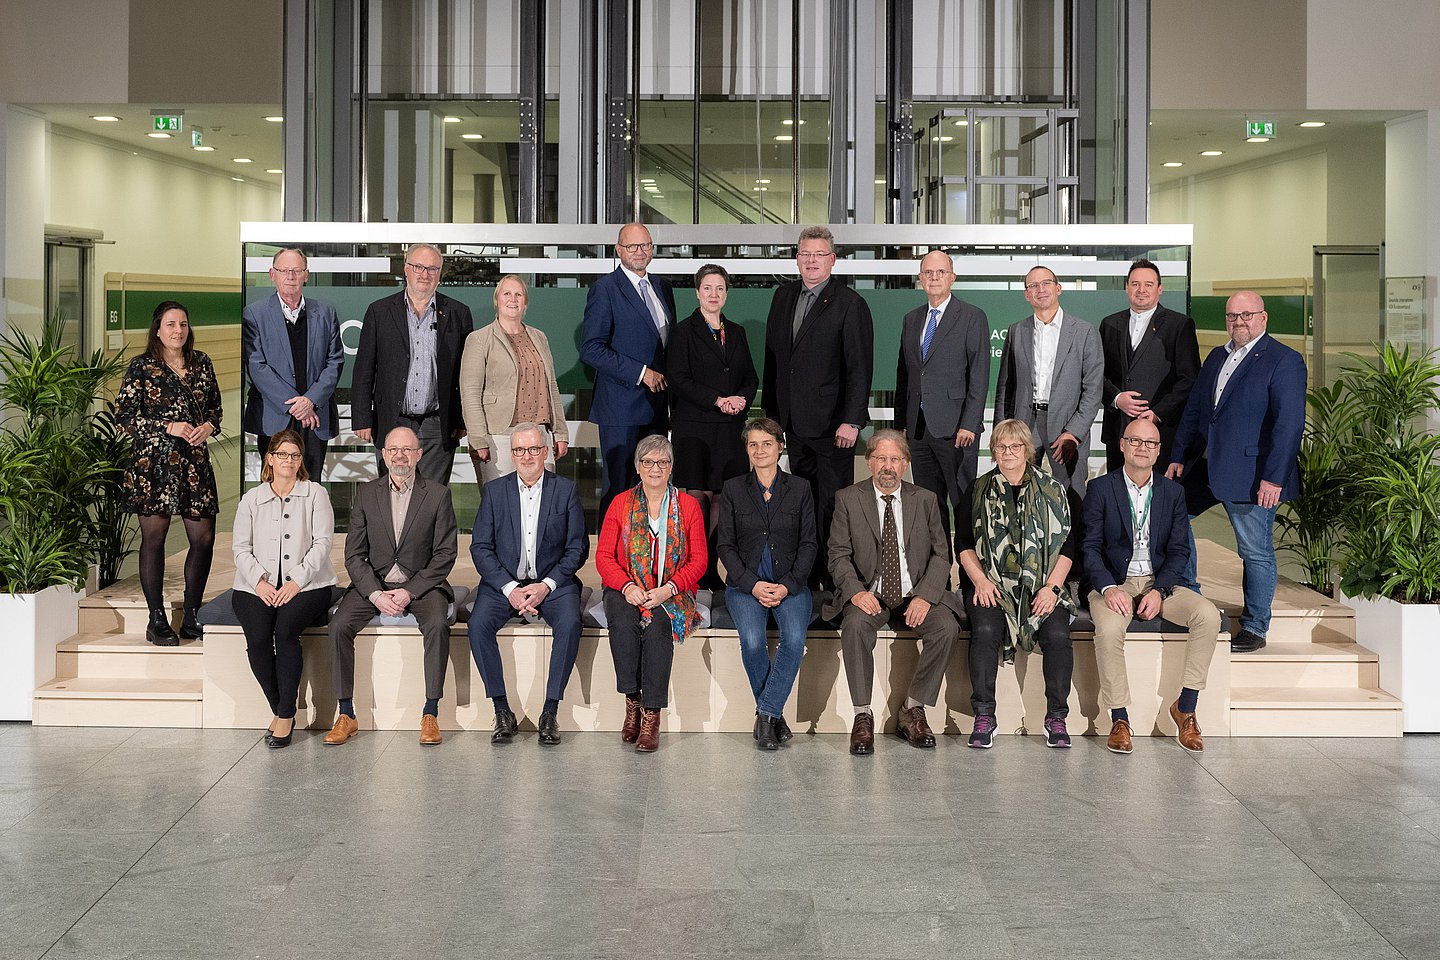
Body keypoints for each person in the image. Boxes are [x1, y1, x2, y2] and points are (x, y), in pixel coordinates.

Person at [1166, 291, 1306, 654]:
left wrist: (1274, 477)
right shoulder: (1218, 355)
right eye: (1232, 316)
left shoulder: (1284, 360)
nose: (1238, 322)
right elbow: (1196, 409)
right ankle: (1192, 600)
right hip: (1207, 466)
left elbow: (1289, 426)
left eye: (1246, 315)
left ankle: (1256, 627)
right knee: (1175, 518)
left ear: (1263, 317)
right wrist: (1179, 454)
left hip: (1253, 474)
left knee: (1254, 551)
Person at [1083, 418, 1221, 754]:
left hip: (1160, 584)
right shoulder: (1101, 489)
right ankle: (1119, 718)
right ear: (1122, 445)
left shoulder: (1173, 493)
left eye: (1151, 443)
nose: (1143, 448)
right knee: (1109, 628)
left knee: (1208, 615)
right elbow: (1088, 547)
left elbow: (1178, 551)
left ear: (1158, 451)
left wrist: (1160, 590)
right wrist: (1108, 589)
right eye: (1135, 441)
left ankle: (1185, 708)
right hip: (1116, 583)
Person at [825, 429, 960, 756]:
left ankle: (912, 709)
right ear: (869, 462)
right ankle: (862, 715)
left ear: (905, 464)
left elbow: (943, 554)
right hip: (869, 594)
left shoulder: (925, 499)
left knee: (947, 627)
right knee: (855, 626)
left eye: (895, 459)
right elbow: (838, 554)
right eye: (881, 458)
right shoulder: (848, 498)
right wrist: (855, 592)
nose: (888, 465)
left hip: (916, 592)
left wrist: (927, 594)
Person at [322, 426, 459, 747]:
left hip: (422, 585)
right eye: (393, 449)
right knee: (339, 624)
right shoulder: (367, 493)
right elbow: (354, 555)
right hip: (374, 584)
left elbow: (445, 554)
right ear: (383, 455)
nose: (400, 455)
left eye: (407, 449)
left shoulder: (438, 494)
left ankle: (430, 712)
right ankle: (346, 713)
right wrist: (375, 593)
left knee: (438, 623)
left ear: (419, 455)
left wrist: (410, 590)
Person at [763, 225, 874, 589]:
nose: (811, 261)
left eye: (819, 255)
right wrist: (772, 419)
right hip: (792, 425)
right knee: (801, 504)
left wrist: (852, 421)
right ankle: (807, 576)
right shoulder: (782, 297)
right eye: (805, 254)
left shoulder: (850, 304)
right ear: (797, 259)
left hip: (833, 429)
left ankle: (835, 579)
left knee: (831, 506)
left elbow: (859, 368)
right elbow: (775, 361)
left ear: (833, 260)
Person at [958, 419, 1076, 749]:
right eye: (1001, 447)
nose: (1008, 453)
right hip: (991, 584)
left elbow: (1069, 544)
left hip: (1043, 586)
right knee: (983, 632)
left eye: (1015, 447)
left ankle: (1056, 717)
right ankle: (984, 715)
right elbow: (964, 543)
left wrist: (1052, 588)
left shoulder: (1053, 489)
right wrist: (980, 581)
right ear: (993, 450)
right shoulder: (978, 488)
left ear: (1027, 450)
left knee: (1056, 634)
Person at [468, 423, 588, 747]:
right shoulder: (495, 491)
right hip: (504, 584)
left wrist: (546, 585)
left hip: (553, 583)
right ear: (512, 454)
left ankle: (550, 710)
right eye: (520, 450)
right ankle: (501, 710)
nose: (527, 456)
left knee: (570, 621)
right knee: (477, 625)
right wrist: (510, 588)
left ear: (546, 452)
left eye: (534, 449)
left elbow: (577, 548)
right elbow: (480, 547)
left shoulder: (565, 490)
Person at [115, 300, 222, 647]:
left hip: (194, 461)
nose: (178, 331)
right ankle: (156, 618)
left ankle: (192, 615)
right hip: (154, 465)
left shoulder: (201, 363)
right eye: (171, 324)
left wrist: (208, 427)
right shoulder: (142, 366)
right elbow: (126, 418)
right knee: (155, 539)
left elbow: (215, 409)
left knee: (203, 537)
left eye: (183, 324)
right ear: (158, 329)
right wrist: (168, 426)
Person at [596, 435, 705, 753]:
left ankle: (651, 717)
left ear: (671, 467)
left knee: (658, 627)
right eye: (648, 462)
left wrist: (667, 589)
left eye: (662, 462)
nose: (655, 468)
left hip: (672, 589)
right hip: (625, 586)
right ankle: (633, 702)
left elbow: (699, 561)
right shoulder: (620, 504)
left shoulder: (688, 506)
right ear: (638, 466)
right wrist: (628, 587)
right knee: (622, 620)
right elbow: (604, 557)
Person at [230, 430, 338, 749]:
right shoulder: (252, 498)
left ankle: (286, 715)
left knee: (285, 631)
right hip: (255, 586)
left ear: (300, 461)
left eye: (294, 455)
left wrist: (296, 581)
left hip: (310, 584)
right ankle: (279, 707)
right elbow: (240, 548)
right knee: (258, 638)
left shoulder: (315, 494)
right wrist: (260, 582)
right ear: (270, 459)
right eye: (282, 455)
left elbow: (323, 544)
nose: (288, 461)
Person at [716, 418, 816, 751]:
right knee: (754, 640)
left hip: (791, 585)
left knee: (794, 639)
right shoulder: (732, 488)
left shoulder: (800, 488)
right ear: (746, 449)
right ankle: (775, 719)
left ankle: (767, 713)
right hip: (746, 586)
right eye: (753, 444)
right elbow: (725, 547)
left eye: (767, 443)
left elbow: (809, 545)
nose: (760, 450)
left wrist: (787, 585)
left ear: (780, 447)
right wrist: (752, 584)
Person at [351, 243, 474, 485]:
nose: (424, 274)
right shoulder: (379, 311)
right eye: (418, 266)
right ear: (406, 269)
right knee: (391, 494)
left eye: (432, 268)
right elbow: (364, 369)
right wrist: (362, 418)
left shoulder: (458, 313)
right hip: (391, 420)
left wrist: (461, 420)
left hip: (437, 425)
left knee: (432, 498)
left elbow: (464, 372)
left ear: (440, 273)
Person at [668, 263, 758, 588]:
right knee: (698, 496)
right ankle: (697, 569)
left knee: (726, 497)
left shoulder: (737, 332)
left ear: (727, 294)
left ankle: (715, 569)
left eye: (720, 288)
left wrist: (741, 399)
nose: (714, 294)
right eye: (708, 288)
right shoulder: (682, 332)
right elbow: (679, 379)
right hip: (694, 426)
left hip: (730, 427)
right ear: (697, 292)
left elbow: (750, 376)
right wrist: (717, 399)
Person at [581, 223, 676, 520]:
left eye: (645, 245)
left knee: (653, 487)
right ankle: (611, 559)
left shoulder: (663, 287)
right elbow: (591, 349)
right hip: (620, 409)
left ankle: (646, 555)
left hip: (657, 407)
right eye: (632, 246)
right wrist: (641, 373)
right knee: (620, 488)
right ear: (618, 250)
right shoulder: (605, 289)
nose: (639, 252)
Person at [894, 249, 991, 545]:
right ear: (920, 278)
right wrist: (901, 426)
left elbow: (979, 374)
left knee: (963, 506)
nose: (933, 278)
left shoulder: (972, 316)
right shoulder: (912, 319)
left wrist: (970, 424)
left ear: (952, 277)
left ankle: (968, 583)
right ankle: (937, 580)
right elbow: (905, 374)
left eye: (940, 273)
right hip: (919, 431)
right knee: (928, 508)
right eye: (928, 273)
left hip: (956, 431)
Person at [994, 265, 1104, 502]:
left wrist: (1073, 433)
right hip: (1024, 425)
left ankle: (1071, 541)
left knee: (1070, 496)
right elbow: (1006, 385)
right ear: (1026, 294)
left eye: (1045, 283)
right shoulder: (1016, 331)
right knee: (1019, 493)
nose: (1040, 289)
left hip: (1066, 428)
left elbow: (1093, 390)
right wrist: (1001, 431)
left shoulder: (1084, 332)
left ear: (1058, 288)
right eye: (1033, 285)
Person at [241, 247, 345, 482]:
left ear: (306, 275)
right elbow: (256, 366)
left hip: (314, 417)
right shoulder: (254, 314)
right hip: (274, 417)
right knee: (275, 486)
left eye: (297, 270)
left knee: (311, 486)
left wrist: (310, 401)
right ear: (272, 274)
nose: (291, 276)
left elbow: (335, 361)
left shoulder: (326, 313)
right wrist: (295, 405)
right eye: (284, 270)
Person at [459, 274, 570, 485]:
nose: (513, 299)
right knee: (500, 507)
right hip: (498, 436)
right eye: (507, 294)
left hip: (538, 435)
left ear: (525, 301)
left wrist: (561, 432)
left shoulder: (539, 337)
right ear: (497, 300)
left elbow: (551, 386)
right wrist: (478, 439)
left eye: (518, 294)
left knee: (542, 505)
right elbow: (470, 393)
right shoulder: (479, 339)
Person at [1098, 258, 1200, 469]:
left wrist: (1157, 414)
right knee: (1118, 495)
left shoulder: (1179, 325)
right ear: (1126, 288)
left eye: (1148, 284)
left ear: (1160, 289)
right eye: (1135, 284)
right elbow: (1096, 374)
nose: (1141, 290)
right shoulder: (1109, 324)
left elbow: (1189, 379)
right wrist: (1116, 398)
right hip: (1118, 430)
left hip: (1159, 433)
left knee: (1156, 497)